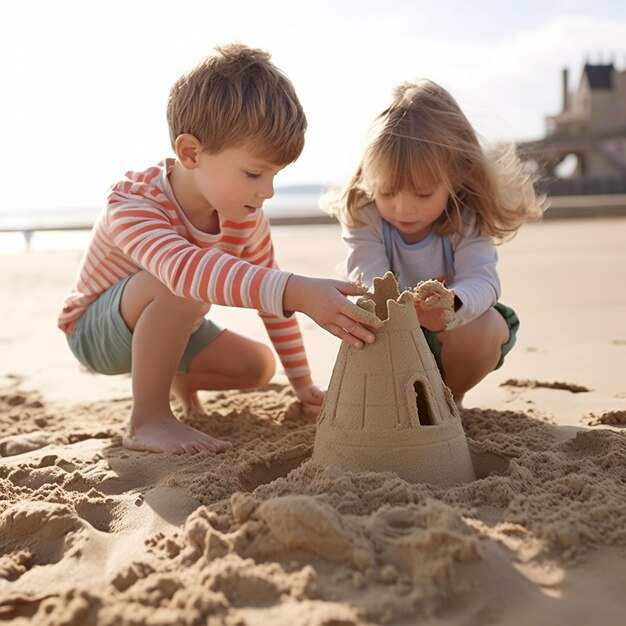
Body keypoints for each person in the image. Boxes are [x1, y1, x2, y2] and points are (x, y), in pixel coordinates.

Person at [58, 44, 381, 455]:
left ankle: (173, 375)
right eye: (253, 173)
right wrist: (297, 291)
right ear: (191, 152)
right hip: (94, 330)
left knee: (257, 367)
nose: (267, 191)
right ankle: (148, 419)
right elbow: (183, 272)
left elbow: (272, 304)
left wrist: (302, 384)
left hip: (175, 320)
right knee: (178, 285)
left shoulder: (245, 216)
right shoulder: (134, 202)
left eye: (275, 175)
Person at [327, 80, 547, 407]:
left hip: (450, 333)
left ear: (455, 176)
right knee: (361, 320)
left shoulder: (465, 216)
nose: (403, 208)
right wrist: (400, 310)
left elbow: (483, 281)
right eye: (387, 192)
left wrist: (451, 305)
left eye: (423, 193)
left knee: (484, 328)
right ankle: (399, 402)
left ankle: (446, 398)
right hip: (389, 335)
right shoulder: (365, 213)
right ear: (371, 179)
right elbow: (366, 278)